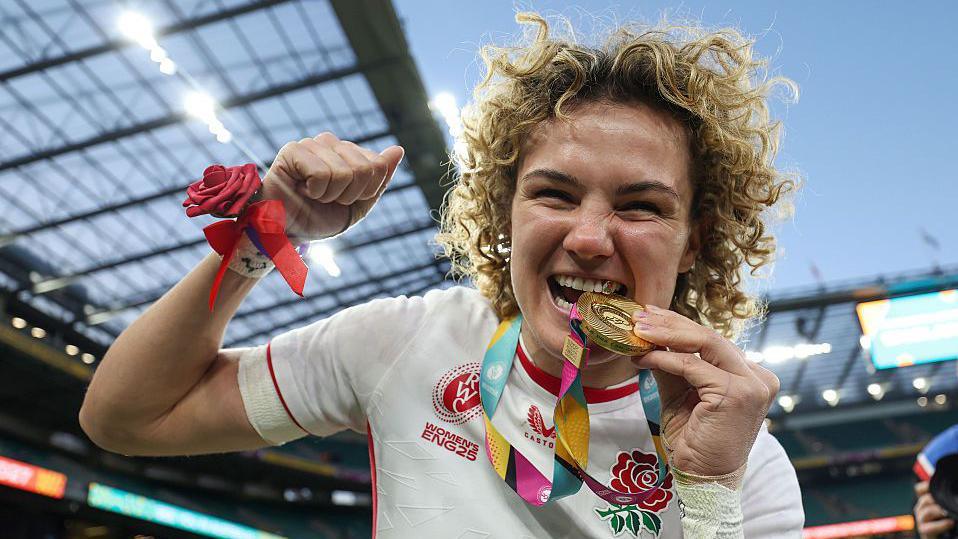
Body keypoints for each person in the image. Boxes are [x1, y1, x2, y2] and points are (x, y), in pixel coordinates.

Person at [79, 12, 803, 538]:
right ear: (506, 210)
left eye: (640, 206)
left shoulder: (744, 467)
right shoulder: (405, 339)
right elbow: (125, 416)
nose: (588, 237)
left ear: (691, 243)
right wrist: (265, 231)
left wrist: (709, 501)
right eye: (553, 193)